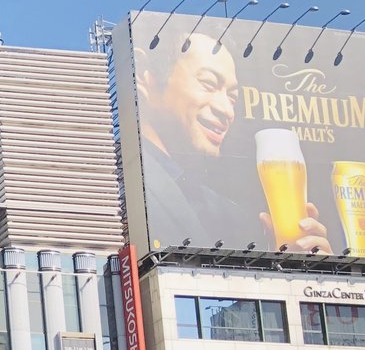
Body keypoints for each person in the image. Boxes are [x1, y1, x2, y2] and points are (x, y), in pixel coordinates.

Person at [133, 30, 330, 252]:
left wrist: (297, 268)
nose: (227, 110)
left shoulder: (235, 216)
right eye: (208, 83)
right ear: (145, 78)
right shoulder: (125, 190)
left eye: (232, 97)